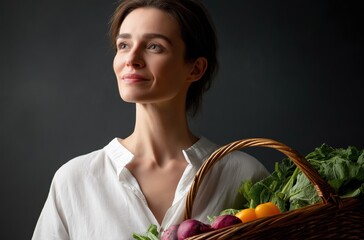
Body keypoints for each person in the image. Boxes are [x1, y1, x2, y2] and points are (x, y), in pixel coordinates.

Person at [32, 0, 269, 239]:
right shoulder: (74, 180)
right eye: (123, 45)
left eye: (154, 46)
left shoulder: (243, 175)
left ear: (195, 69)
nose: (131, 59)